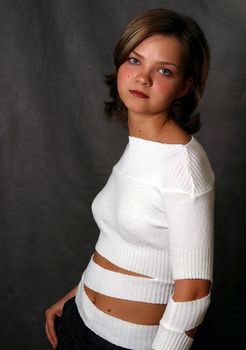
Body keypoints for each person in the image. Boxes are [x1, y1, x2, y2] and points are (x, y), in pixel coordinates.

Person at [45, 8, 215, 350]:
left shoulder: (183, 166)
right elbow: (122, 243)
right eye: (135, 61)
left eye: (163, 70)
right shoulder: (141, 145)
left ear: (185, 85)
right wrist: (76, 296)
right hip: (80, 320)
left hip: (127, 343)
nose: (142, 78)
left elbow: (195, 294)